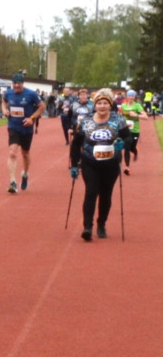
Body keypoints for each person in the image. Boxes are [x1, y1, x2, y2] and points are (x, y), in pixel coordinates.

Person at [69, 87, 131, 242]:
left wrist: (122, 143)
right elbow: (76, 143)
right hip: (90, 162)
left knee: (106, 194)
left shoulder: (118, 119)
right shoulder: (86, 121)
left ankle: (101, 223)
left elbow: (128, 138)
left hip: (111, 164)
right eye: (99, 103)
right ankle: (87, 227)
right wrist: (75, 164)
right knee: (91, 192)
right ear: (95, 105)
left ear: (110, 105)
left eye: (105, 103)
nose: (102, 106)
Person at [0, 71, 44, 193]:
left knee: (25, 153)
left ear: (23, 84)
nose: (16, 86)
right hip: (13, 126)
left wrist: (32, 118)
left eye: (19, 84)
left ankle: (25, 174)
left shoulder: (31, 94)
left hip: (26, 128)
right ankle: (13, 182)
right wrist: (4, 109)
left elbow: (42, 107)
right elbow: (3, 102)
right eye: (14, 84)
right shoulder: (8, 93)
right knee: (12, 153)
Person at [117, 89, 144, 175]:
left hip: (135, 130)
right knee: (126, 148)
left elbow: (146, 116)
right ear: (127, 97)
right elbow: (119, 114)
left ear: (134, 97)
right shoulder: (123, 105)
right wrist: (120, 116)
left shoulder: (137, 106)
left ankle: (135, 152)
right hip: (125, 130)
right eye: (129, 95)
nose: (131, 97)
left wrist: (136, 115)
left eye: (132, 96)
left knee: (132, 148)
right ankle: (127, 168)